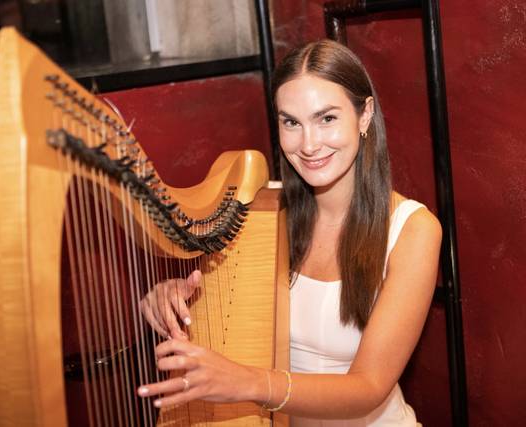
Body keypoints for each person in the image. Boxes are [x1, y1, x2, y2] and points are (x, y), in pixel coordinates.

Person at [137, 39, 442, 426]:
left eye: (326, 118)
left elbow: (369, 388)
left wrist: (249, 384)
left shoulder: (413, 230)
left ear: (364, 115)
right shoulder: (259, 215)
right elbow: (218, 325)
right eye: (291, 122)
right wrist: (170, 304)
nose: (309, 144)